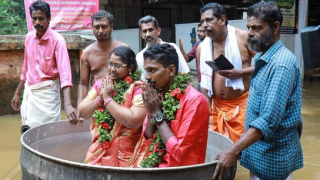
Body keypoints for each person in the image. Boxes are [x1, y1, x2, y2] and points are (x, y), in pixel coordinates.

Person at [212, 2, 303, 180]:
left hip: (273, 157)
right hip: (259, 153)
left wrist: (232, 150)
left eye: (257, 28)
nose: (250, 33)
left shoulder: (281, 65)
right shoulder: (262, 55)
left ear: (275, 27)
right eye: (248, 27)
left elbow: (268, 121)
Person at [11, 0, 78, 133]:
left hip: (48, 95)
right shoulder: (29, 38)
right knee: (28, 130)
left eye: (41, 18)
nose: (37, 22)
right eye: (34, 19)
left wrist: (68, 104)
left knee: (48, 133)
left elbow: (65, 74)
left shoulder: (58, 41)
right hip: (30, 92)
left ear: (49, 19)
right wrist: (18, 93)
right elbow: (26, 68)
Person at [140, 44, 210, 167]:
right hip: (155, 169)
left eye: (152, 70)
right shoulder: (156, 96)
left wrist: (157, 114)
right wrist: (151, 112)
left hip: (181, 172)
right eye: (146, 70)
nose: (147, 77)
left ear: (171, 70)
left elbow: (179, 152)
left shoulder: (194, 101)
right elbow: (147, 140)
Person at [78, 46, 147, 167]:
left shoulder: (138, 89)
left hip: (127, 153)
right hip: (100, 148)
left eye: (118, 66)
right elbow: (82, 112)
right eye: (110, 64)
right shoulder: (103, 84)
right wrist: (100, 99)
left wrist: (108, 100)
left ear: (130, 67)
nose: (112, 69)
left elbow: (133, 121)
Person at [198, 2, 255, 143]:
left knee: (244, 152)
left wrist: (240, 73)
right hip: (216, 109)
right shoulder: (202, 48)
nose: (204, 25)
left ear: (222, 20)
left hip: (243, 106)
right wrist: (209, 115)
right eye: (202, 21)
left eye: (209, 20)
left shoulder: (243, 37)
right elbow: (204, 86)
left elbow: (265, 64)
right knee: (219, 151)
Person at [77, 10, 128, 107]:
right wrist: (80, 108)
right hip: (97, 102)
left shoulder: (124, 49)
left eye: (104, 27)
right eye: (96, 27)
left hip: (121, 100)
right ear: (92, 28)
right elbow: (83, 84)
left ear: (112, 27)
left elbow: (132, 77)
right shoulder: (87, 53)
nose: (100, 31)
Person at [136, 15, 190, 81]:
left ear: (158, 31)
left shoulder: (172, 48)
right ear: (141, 34)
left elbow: (185, 73)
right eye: (144, 31)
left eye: (151, 30)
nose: (148, 34)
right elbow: (144, 81)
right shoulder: (139, 56)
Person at [179, 23, 206, 91]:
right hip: (201, 81)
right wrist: (182, 49)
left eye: (201, 31)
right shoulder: (197, 45)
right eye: (198, 31)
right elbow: (187, 59)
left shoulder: (213, 44)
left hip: (212, 81)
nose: (199, 33)